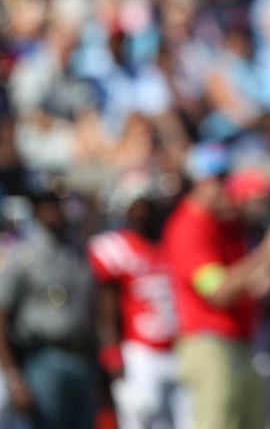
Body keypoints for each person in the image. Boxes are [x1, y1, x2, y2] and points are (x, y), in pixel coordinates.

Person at [162, 142, 270, 429]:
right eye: (219, 179)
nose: (227, 187)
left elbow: (250, 287)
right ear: (198, 181)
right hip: (209, 345)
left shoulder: (224, 226)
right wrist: (268, 252)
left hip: (240, 342)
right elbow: (217, 291)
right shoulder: (188, 227)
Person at [87, 168, 189, 429]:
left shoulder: (169, 244)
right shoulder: (114, 247)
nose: (144, 212)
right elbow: (105, 313)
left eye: (148, 204)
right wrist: (115, 369)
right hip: (140, 353)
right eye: (137, 205)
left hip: (178, 348)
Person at [0, 181, 97, 429]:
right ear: (36, 209)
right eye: (49, 205)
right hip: (43, 356)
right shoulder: (24, 255)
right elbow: (2, 315)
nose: (56, 211)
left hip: (82, 357)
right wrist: (13, 376)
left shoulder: (76, 251)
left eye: (60, 205)